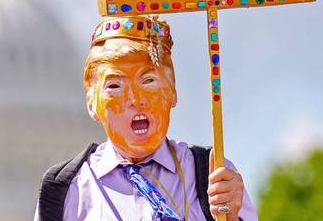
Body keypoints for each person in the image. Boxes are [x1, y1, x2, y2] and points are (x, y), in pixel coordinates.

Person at [36, 15, 256, 220]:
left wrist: (232, 217)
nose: (134, 98)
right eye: (115, 85)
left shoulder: (213, 175)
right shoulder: (63, 189)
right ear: (92, 104)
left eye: (148, 81)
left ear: (172, 92)